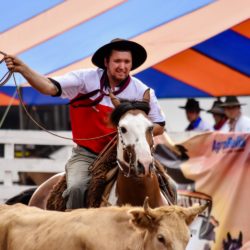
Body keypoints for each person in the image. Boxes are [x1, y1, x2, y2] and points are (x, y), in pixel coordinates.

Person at [4, 38, 166, 209]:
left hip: (129, 154)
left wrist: (135, 131)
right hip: (88, 154)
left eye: (127, 62)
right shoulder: (84, 79)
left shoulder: (142, 91)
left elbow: (159, 126)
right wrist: (23, 69)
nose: (122, 66)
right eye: (117, 61)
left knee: (170, 186)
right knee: (76, 187)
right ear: (106, 62)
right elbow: (49, 87)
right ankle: (74, 229)